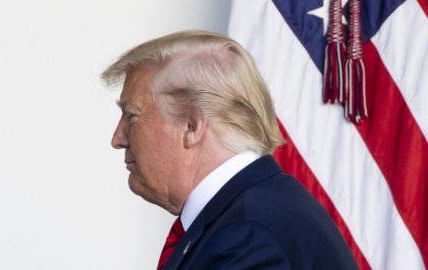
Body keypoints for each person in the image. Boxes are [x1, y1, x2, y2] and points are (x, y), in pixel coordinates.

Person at [102, 30, 358, 270]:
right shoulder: (253, 212)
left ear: (191, 125)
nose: (118, 138)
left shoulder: (247, 233)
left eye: (131, 116)